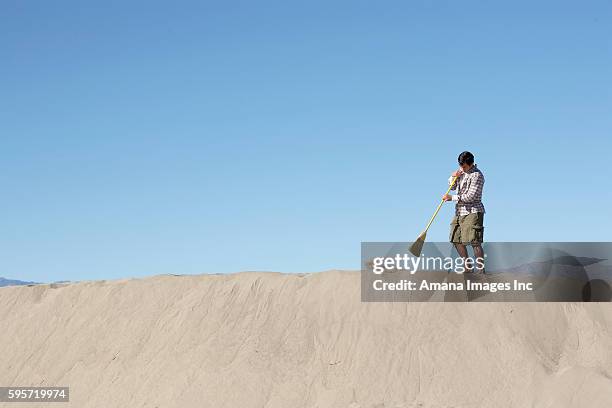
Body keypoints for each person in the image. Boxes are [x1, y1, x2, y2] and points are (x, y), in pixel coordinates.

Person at [442, 151, 485, 273]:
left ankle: (481, 271)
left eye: (464, 166)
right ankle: (467, 267)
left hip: (473, 211)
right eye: (460, 165)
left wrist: (452, 198)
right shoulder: (461, 171)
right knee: (455, 238)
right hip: (459, 211)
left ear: (470, 164)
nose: (462, 168)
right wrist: (453, 177)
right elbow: (454, 186)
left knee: (474, 241)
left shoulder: (477, 175)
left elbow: (471, 196)